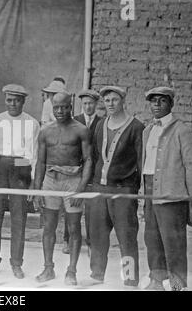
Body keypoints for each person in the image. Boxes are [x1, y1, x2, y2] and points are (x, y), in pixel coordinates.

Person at [85, 86, 144, 287]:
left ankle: (129, 277)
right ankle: (97, 273)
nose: (110, 104)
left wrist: (135, 188)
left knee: (126, 237)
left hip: (123, 190)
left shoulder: (136, 127)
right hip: (100, 188)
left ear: (123, 101)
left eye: (114, 100)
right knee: (97, 234)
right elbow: (93, 157)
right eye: (107, 100)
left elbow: (140, 160)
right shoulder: (101, 124)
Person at [142, 87, 192, 291]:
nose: (156, 105)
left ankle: (177, 284)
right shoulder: (148, 130)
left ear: (171, 104)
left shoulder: (181, 130)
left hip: (172, 195)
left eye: (162, 101)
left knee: (173, 243)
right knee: (152, 238)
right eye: (153, 101)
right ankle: (156, 281)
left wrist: (189, 197)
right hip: (150, 191)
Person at [0, 84, 40, 279]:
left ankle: (16, 263)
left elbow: (33, 156)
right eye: (9, 100)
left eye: (17, 100)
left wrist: (31, 181)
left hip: (20, 170)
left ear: (23, 101)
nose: (12, 104)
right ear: (5, 100)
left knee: (18, 217)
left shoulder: (32, 124)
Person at [33, 92, 92, 285]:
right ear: (51, 107)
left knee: (74, 227)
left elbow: (89, 160)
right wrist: (37, 189)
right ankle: (48, 268)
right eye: (56, 107)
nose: (60, 111)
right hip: (50, 180)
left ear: (71, 106)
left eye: (64, 107)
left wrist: (81, 188)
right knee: (48, 227)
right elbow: (40, 162)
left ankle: (71, 271)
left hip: (72, 181)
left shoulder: (81, 130)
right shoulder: (45, 131)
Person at [62, 89, 102, 255]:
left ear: (96, 104)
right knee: (71, 206)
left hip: (93, 172)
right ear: (81, 105)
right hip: (75, 171)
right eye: (85, 103)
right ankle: (68, 240)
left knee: (92, 210)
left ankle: (91, 243)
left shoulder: (102, 122)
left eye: (91, 103)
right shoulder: (73, 121)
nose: (88, 106)